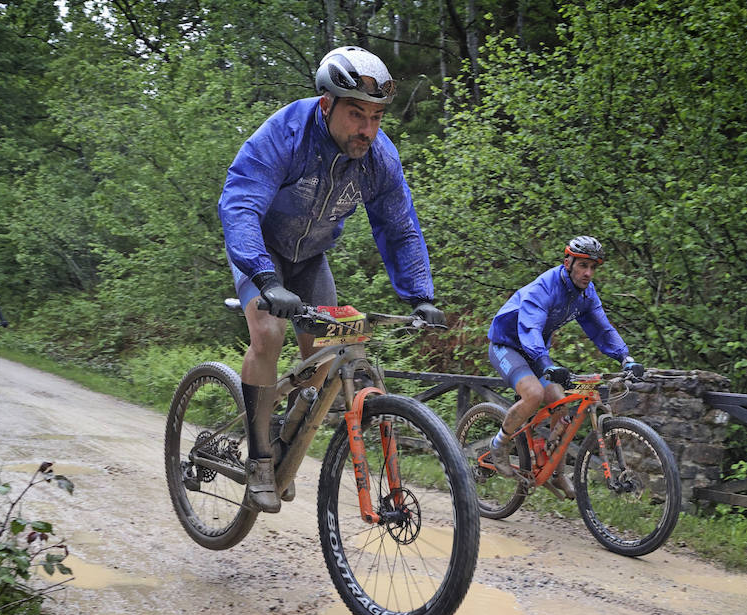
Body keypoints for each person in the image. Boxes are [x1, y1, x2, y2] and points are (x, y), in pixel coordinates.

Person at [218, 45, 445, 514]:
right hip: (260, 252)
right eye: (357, 114)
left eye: (377, 117)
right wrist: (263, 277)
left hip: (310, 258)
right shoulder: (285, 134)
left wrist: (420, 295)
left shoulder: (379, 157)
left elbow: (400, 227)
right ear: (327, 105)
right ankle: (260, 460)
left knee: (323, 356)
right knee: (269, 333)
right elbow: (239, 203)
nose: (367, 129)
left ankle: (285, 443)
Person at [484, 235, 645, 498]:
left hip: (535, 350)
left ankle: (555, 473)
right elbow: (531, 327)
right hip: (507, 345)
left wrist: (626, 358)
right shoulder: (544, 288)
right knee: (534, 393)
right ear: (567, 262)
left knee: (561, 402)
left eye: (593, 267)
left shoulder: (585, 294)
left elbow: (602, 330)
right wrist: (546, 363)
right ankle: (498, 444)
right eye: (583, 265)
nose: (588, 273)